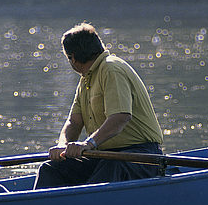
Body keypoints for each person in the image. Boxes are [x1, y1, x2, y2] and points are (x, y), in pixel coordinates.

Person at [34, 22, 163, 189]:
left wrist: (88, 144)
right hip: (105, 156)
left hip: (142, 155)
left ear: (72, 58)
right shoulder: (86, 79)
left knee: (110, 169)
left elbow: (120, 117)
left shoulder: (111, 69)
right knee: (51, 169)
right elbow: (74, 122)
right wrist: (62, 146)